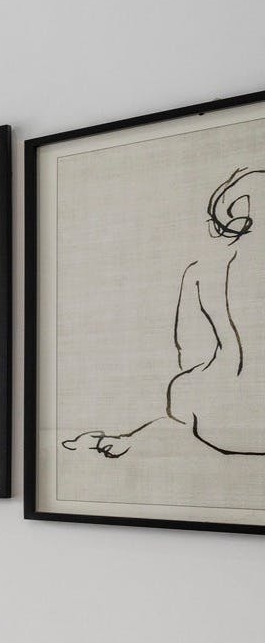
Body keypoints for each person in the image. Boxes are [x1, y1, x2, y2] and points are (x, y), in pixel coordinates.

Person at [63, 166, 262, 458]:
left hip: (215, 417)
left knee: (187, 387)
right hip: (239, 419)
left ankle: (130, 439)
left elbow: (189, 347)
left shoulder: (204, 270)